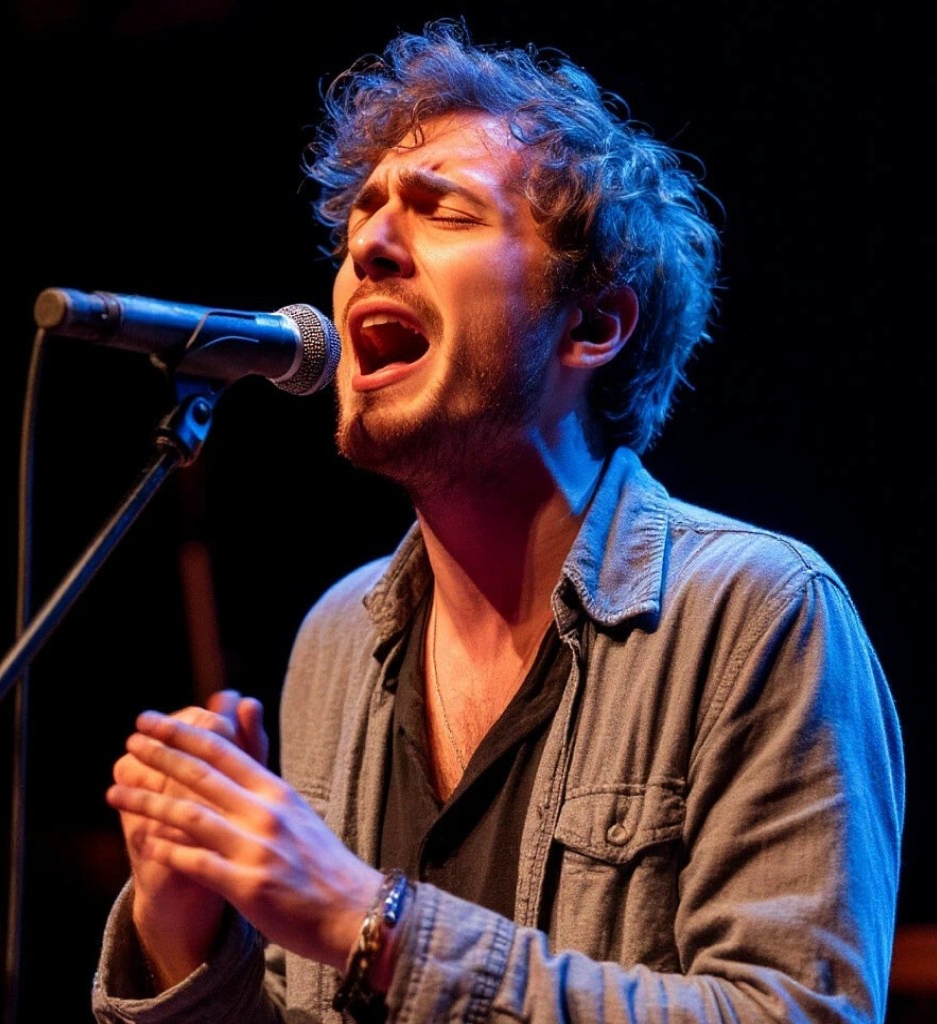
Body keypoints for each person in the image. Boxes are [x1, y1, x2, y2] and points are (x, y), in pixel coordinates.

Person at [91, 18, 905, 1024]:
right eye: (362, 218)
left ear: (592, 323)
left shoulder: (756, 616)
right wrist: (185, 945)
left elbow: (795, 1011)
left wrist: (372, 926)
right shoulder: (336, 642)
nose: (369, 245)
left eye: (444, 211)